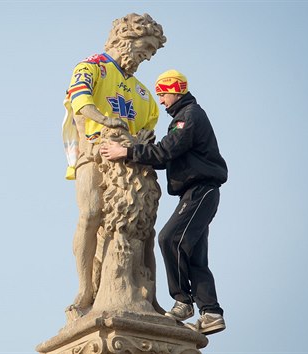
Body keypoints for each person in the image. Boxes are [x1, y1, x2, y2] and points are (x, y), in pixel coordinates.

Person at [99, 69, 228, 335]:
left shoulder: (188, 117)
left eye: (162, 94)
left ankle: (182, 300)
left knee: (168, 238)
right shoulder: (185, 116)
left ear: (174, 90)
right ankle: (211, 312)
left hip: (200, 190)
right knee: (194, 254)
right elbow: (167, 154)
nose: (160, 101)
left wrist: (126, 151)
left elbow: (166, 151)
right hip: (197, 192)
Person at [62, 13, 166, 314]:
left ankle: (151, 296)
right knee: (91, 213)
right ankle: (84, 290)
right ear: (126, 39)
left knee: (145, 230)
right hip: (93, 153)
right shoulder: (90, 67)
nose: (146, 57)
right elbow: (81, 105)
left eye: (151, 53)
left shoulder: (144, 93)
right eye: (145, 48)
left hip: (131, 165)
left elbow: (148, 129)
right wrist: (106, 121)